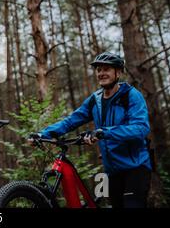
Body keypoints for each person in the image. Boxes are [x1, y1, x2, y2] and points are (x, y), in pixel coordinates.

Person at [28, 52, 152, 208]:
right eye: (99, 70)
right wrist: (42, 134)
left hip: (135, 168)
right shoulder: (96, 100)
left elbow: (140, 128)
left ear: (118, 72)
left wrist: (103, 132)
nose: (101, 73)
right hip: (112, 171)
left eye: (106, 69)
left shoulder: (131, 96)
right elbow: (71, 121)